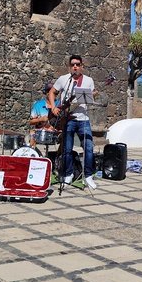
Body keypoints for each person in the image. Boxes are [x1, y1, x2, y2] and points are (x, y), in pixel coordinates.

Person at [48, 54, 97, 189]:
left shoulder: (89, 80)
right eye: (73, 64)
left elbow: (91, 96)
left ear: (82, 66)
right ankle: (68, 174)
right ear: (69, 66)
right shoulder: (64, 79)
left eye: (78, 64)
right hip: (68, 118)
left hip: (83, 119)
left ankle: (88, 176)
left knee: (88, 147)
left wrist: (92, 95)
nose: (75, 66)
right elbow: (52, 92)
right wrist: (53, 107)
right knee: (67, 149)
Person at [28, 80, 57, 148]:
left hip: (55, 132)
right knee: (32, 134)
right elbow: (30, 121)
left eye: (55, 92)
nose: (52, 94)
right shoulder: (38, 105)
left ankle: (58, 156)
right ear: (46, 93)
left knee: (65, 136)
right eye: (49, 91)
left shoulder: (59, 104)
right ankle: (34, 154)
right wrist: (40, 119)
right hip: (40, 131)